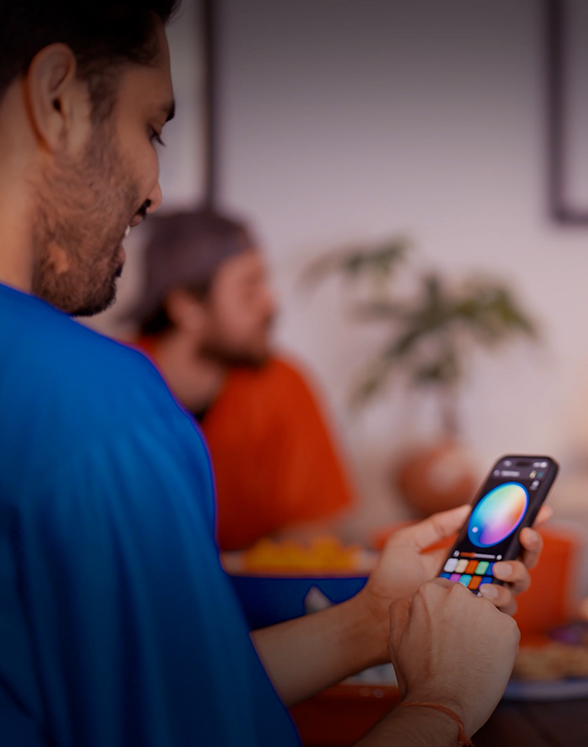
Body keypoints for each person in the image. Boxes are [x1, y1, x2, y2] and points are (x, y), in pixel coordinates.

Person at [0, 2, 544, 745]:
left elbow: (157, 690)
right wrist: (444, 699)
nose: (154, 190)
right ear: (56, 98)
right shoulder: (99, 410)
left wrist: (372, 622)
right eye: (151, 127)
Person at [127, 209, 354, 550]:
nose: (271, 303)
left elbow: (316, 531)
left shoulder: (283, 384)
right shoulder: (110, 386)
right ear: (187, 305)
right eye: (249, 289)